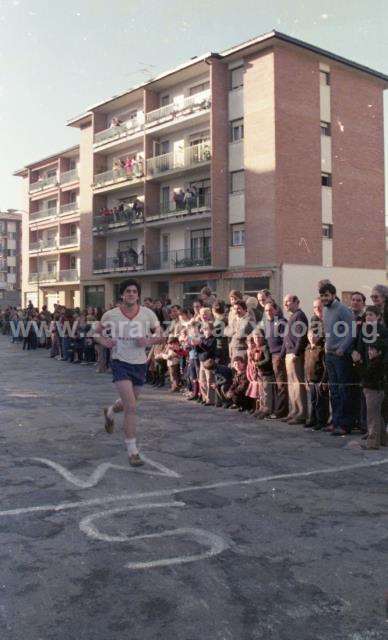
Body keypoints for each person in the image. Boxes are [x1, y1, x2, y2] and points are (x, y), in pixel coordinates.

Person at [96, 278, 165, 467]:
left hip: (140, 364)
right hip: (120, 363)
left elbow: (161, 336)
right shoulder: (111, 315)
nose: (131, 294)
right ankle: (132, 450)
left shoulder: (148, 314)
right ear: (122, 294)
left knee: (129, 403)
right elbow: (96, 333)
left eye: (134, 291)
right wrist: (105, 342)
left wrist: (148, 342)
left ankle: (110, 411)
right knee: (132, 407)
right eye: (128, 291)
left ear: (138, 295)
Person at [319, 282, 355, 436]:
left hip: (341, 356)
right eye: (321, 296)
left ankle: (345, 425)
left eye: (326, 295)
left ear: (333, 295)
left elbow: (352, 331)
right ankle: (335, 422)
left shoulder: (343, 309)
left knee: (343, 390)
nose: (324, 298)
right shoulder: (325, 310)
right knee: (333, 391)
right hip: (330, 356)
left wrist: (342, 348)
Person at [352, 306, 388, 449]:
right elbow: (359, 346)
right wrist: (356, 354)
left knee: (372, 411)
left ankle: (373, 442)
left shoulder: (383, 331)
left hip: (378, 373)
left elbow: (383, 350)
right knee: (375, 410)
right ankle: (383, 440)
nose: (368, 318)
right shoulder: (364, 330)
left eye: (371, 315)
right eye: (367, 315)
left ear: (378, 316)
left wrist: (376, 357)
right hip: (366, 369)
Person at [280, 294, 308, 425]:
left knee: (297, 384)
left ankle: (301, 413)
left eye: (288, 302)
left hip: (294, 355)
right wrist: (283, 354)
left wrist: (296, 353)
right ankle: (294, 411)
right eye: (284, 302)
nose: (285, 304)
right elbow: (287, 338)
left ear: (297, 302)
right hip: (289, 354)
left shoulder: (299, 316)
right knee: (291, 385)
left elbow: (301, 337)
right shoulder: (292, 316)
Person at [304, 299, 329, 431]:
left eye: (320, 307)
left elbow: (325, 364)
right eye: (315, 307)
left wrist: (324, 379)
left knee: (321, 401)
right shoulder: (308, 348)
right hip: (311, 377)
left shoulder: (321, 347)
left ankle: (321, 420)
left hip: (320, 376)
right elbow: (306, 364)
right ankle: (312, 419)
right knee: (313, 400)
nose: (317, 309)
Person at [264, 302, 288, 418]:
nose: (268, 312)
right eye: (266, 310)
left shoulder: (281, 322)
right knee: (275, 385)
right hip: (271, 356)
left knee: (281, 385)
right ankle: (274, 408)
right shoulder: (268, 323)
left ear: (276, 310)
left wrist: (281, 355)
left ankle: (281, 411)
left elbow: (285, 341)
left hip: (279, 356)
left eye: (270, 310)